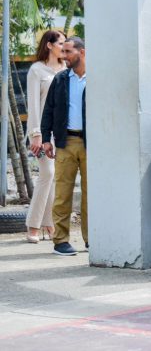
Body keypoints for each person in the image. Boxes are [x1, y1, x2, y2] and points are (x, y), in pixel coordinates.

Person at [40, 37, 87, 256]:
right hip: (65, 143)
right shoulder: (60, 80)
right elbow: (48, 110)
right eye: (63, 51)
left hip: (91, 144)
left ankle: (92, 239)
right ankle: (60, 241)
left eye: (68, 51)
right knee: (62, 194)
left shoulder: (96, 79)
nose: (64, 56)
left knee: (92, 194)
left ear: (82, 52)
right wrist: (47, 139)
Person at [25, 30, 66, 243]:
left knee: (55, 177)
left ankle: (49, 225)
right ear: (49, 45)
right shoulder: (36, 70)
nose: (64, 47)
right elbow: (32, 105)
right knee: (47, 173)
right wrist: (35, 134)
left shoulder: (67, 69)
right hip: (41, 133)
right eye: (61, 43)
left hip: (62, 133)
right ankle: (33, 225)